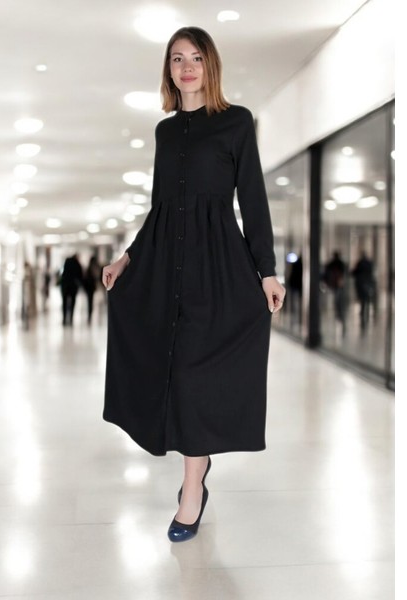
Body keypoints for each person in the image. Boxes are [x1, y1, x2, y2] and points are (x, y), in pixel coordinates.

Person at [102, 27, 285, 543]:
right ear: (168, 69)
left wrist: (267, 270)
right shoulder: (164, 132)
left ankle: (191, 487)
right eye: (177, 58)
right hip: (167, 267)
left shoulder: (236, 122)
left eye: (196, 58)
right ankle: (196, 477)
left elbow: (252, 200)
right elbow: (159, 209)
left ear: (210, 66)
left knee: (193, 377)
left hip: (217, 267)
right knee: (172, 370)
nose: (186, 67)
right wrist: (128, 257)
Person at [351, 251, 376, 331]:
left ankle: (363, 313)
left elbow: (355, 272)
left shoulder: (360, 263)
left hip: (361, 283)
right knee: (367, 299)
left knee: (363, 300)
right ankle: (366, 313)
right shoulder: (369, 263)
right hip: (367, 283)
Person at [323, 250, 347, 333]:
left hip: (334, 285)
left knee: (337, 299)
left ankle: (338, 310)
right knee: (338, 298)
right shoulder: (340, 264)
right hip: (338, 285)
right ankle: (338, 310)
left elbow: (326, 273)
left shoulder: (332, 264)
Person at [60, 253, 83, 326]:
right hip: (73, 285)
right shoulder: (77, 264)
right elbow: (80, 275)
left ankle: (64, 318)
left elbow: (63, 273)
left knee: (64, 302)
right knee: (72, 302)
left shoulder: (67, 261)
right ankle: (71, 318)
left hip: (65, 284)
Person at [83, 255, 102, 324]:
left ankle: (90, 315)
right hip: (90, 288)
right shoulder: (93, 269)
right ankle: (89, 315)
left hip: (90, 288)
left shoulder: (89, 268)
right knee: (90, 302)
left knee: (90, 301)